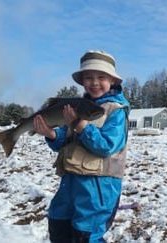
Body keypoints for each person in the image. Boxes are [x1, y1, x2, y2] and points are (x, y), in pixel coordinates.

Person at [33, 50, 130, 243]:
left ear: (112, 80)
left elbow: (106, 146)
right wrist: (52, 134)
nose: (94, 82)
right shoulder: (78, 106)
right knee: (59, 226)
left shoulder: (116, 111)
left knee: (85, 236)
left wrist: (79, 124)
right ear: (82, 81)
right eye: (88, 77)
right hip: (70, 182)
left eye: (101, 77)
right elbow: (64, 139)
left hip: (99, 188)